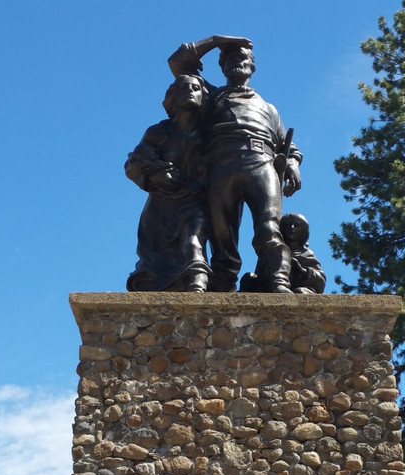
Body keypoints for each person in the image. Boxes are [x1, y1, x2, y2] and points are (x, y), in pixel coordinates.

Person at [168, 35, 302, 292]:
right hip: (221, 167)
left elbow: (289, 146)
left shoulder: (269, 108)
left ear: (252, 66)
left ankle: (278, 280)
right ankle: (222, 288)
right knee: (222, 237)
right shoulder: (211, 96)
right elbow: (178, 64)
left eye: (242, 57)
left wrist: (293, 164)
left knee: (269, 228)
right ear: (222, 67)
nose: (236, 62)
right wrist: (218, 40)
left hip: (261, 165)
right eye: (228, 58)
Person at [125, 74, 211, 292]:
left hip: (194, 202)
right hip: (160, 205)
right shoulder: (158, 132)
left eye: (195, 88)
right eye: (183, 88)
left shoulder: (211, 134)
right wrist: (153, 177)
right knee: (153, 261)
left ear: (203, 96)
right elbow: (132, 165)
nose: (190, 91)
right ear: (173, 97)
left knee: (193, 239)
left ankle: (198, 283)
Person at [239, 212, 326, 294]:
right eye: (287, 225)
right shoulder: (273, 251)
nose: (292, 227)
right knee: (249, 278)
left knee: (300, 292)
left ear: (303, 231)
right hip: (271, 286)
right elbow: (261, 274)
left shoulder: (307, 254)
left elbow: (321, 280)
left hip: (299, 286)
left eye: (296, 225)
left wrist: (302, 271)